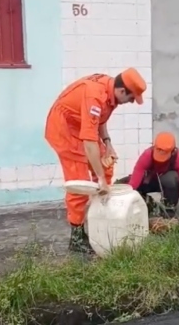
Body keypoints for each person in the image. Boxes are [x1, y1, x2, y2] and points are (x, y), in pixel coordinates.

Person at [44, 68, 147, 254]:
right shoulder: (94, 96)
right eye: (131, 98)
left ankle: (99, 213)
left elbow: (99, 119)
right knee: (79, 182)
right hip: (64, 128)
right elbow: (89, 141)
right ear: (122, 90)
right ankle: (76, 237)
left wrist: (107, 143)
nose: (132, 102)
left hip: (81, 126)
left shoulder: (111, 91)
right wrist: (99, 178)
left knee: (106, 164)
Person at [115, 132, 179, 222]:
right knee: (120, 185)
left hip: (167, 184)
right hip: (150, 181)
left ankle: (168, 211)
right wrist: (124, 203)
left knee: (171, 178)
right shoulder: (147, 155)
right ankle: (145, 204)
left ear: (173, 151)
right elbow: (134, 182)